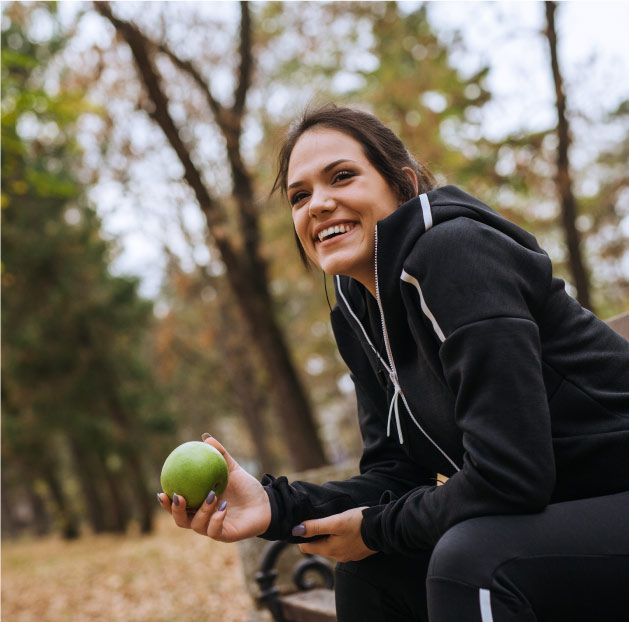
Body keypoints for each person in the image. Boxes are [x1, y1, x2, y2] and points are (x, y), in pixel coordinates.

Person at [157, 104, 629, 621]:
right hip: (562, 520)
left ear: (402, 185)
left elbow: (511, 474)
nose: (319, 204)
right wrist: (275, 507)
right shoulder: (358, 311)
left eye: (341, 176)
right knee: (372, 571)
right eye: (300, 196)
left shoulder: (455, 254)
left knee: (471, 562)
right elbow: (397, 473)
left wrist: (376, 528)